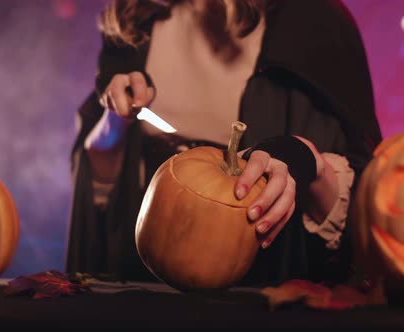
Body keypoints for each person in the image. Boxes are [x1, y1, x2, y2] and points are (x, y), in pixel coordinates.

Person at [65, 0, 382, 287]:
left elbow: (365, 212)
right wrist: (114, 124)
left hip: (263, 304)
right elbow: (100, 194)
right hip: (139, 294)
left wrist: (307, 159)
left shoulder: (315, 22)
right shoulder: (134, 17)